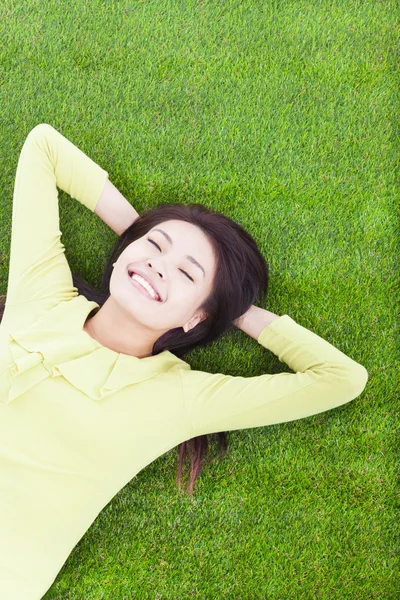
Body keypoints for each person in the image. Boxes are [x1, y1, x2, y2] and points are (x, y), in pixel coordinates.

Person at [0, 124, 368, 599]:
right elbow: (44, 147)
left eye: (186, 273)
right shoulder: (42, 295)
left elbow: (341, 379)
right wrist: (139, 235)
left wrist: (236, 312)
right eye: (155, 248)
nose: (158, 265)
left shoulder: (179, 397)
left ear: (198, 316)